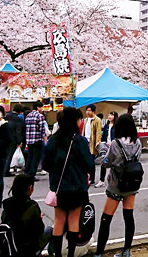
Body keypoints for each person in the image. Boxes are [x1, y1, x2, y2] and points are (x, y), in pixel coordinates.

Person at [43, 107, 93, 257]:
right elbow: (89, 164)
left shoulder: (53, 141)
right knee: (74, 221)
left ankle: (58, 254)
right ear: (74, 121)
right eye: (79, 119)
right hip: (78, 187)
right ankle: (70, 254)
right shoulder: (80, 141)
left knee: (58, 221)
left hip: (59, 188)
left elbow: (45, 165)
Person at [95, 114, 142, 257]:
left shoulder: (116, 143)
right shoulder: (138, 142)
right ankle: (126, 250)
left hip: (116, 183)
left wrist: (103, 150)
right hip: (132, 184)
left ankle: (99, 252)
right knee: (128, 217)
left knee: (106, 218)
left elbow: (106, 162)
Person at [0, 174, 52, 257]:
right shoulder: (32, 206)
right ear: (30, 188)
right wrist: (39, 218)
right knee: (49, 230)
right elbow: (39, 230)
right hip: (27, 249)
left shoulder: (7, 205)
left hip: (10, 247)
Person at [25, 101, 47, 180]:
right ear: (38, 107)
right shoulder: (40, 116)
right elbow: (42, 128)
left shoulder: (28, 115)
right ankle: (32, 174)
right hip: (37, 139)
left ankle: (26, 172)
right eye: (41, 107)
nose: (42, 109)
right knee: (36, 157)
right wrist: (44, 138)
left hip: (29, 139)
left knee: (30, 156)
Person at [95, 111, 117, 188]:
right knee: (103, 162)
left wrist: (113, 143)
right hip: (106, 146)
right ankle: (101, 180)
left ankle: (114, 180)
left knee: (114, 164)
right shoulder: (106, 126)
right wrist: (102, 142)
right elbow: (104, 136)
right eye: (109, 114)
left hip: (114, 146)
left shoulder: (116, 126)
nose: (110, 116)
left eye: (112, 115)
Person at [82, 104, 102, 185]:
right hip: (85, 141)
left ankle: (92, 178)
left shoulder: (97, 120)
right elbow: (83, 131)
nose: (87, 112)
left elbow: (98, 132)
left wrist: (97, 142)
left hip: (92, 142)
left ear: (93, 111)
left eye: (89, 110)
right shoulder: (86, 120)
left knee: (91, 161)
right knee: (85, 160)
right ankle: (86, 177)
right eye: (86, 110)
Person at [4, 104, 25, 177]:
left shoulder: (6, 116)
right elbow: (18, 131)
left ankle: (3, 170)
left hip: (5, 138)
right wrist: (19, 141)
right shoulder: (17, 119)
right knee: (10, 155)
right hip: (13, 139)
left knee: (5, 155)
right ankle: (5, 171)